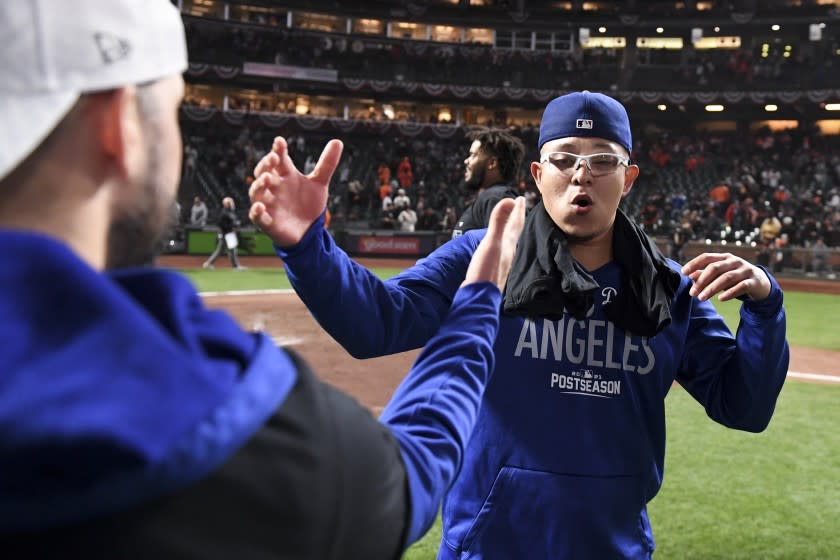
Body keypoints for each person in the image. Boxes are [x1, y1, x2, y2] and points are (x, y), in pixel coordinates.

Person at [0, 2, 528, 558]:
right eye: (175, 108)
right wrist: (477, 300)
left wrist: (309, 247)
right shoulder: (216, 419)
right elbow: (398, 481)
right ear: (119, 127)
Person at [250, 91, 790, 559]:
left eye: (602, 161)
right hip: (487, 548)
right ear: (538, 174)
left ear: (628, 180)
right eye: (564, 159)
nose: (581, 174)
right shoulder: (485, 256)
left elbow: (743, 405)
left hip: (612, 550)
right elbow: (377, 323)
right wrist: (307, 244)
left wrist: (765, 304)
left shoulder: (669, 288)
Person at [452, 129, 526, 238]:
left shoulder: (495, 197)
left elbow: (507, 250)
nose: (466, 161)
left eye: (473, 155)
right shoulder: (489, 198)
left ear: (492, 163)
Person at [203, 196, 244, 270]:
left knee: (228, 250)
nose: (232, 204)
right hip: (226, 233)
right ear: (226, 204)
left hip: (229, 233)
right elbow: (220, 223)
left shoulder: (230, 212)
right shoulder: (224, 212)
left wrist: (235, 225)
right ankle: (235, 266)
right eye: (230, 202)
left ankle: (209, 263)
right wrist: (230, 227)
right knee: (226, 250)